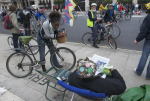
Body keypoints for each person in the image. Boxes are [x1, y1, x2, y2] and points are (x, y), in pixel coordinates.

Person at [134, 3, 150, 80]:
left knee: (144, 56)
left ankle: (138, 71)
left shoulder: (148, 17)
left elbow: (144, 30)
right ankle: (149, 76)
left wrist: (137, 39)